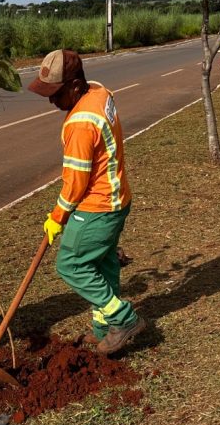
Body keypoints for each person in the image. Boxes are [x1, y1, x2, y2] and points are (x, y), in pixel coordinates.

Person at [27, 49, 146, 355]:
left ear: (75, 86)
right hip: (118, 198)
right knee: (102, 265)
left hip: (98, 205)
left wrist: (57, 217)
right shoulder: (98, 91)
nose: (52, 101)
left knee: (72, 264)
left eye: (56, 93)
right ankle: (104, 329)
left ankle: (124, 319)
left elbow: (75, 183)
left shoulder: (80, 123)